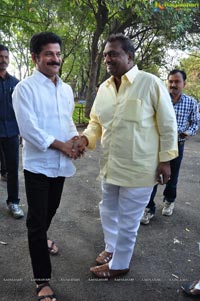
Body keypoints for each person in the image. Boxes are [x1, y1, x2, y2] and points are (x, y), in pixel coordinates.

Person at [76, 33, 178, 278]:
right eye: (105, 55)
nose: (107, 59)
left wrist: (165, 160)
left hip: (140, 168)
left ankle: (120, 264)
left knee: (129, 220)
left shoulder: (150, 83)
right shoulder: (104, 88)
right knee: (108, 210)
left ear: (129, 56)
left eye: (113, 54)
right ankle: (111, 248)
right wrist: (84, 139)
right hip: (111, 165)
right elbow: (95, 123)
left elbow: (167, 124)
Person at [13, 32, 82, 301]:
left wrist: (75, 141)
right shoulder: (25, 89)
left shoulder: (65, 89)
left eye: (58, 54)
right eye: (49, 54)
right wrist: (62, 146)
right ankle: (42, 281)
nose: (55, 59)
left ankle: (42, 240)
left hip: (60, 165)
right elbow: (30, 130)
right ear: (35, 57)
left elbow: (67, 121)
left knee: (49, 212)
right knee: (37, 220)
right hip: (38, 165)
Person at [141, 69, 199, 225]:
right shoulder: (159, 99)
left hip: (177, 145)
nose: (173, 85)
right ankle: (148, 207)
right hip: (156, 144)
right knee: (152, 175)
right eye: (171, 81)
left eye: (177, 82)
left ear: (184, 84)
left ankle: (169, 200)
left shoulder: (191, 102)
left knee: (172, 176)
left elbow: (195, 122)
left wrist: (188, 132)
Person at [0, 44, 24, 218]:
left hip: (11, 133)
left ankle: (14, 203)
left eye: (6, 57)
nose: (3, 60)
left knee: (13, 169)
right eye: (0, 56)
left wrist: (21, 131)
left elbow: (20, 110)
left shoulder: (16, 84)